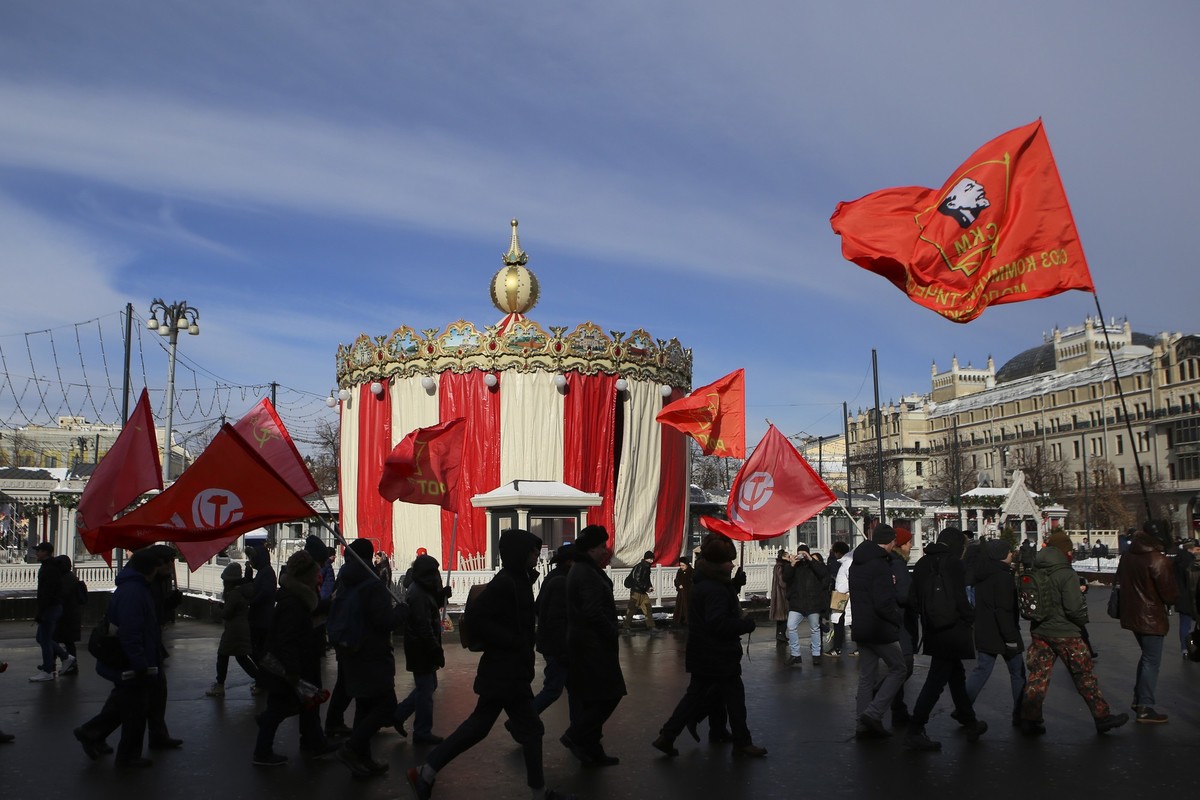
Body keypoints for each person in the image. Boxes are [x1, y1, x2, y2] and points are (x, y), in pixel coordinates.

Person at [407, 529, 575, 800]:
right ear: (521, 553)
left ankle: (425, 772)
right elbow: (478, 619)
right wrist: (512, 640)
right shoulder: (507, 582)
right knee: (530, 730)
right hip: (506, 672)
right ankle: (539, 792)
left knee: (480, 726)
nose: (537, 555)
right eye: (533, 550)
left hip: (507, 671)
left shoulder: (516, 580)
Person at [652, 533, 766, 759]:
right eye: (728, 560)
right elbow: (718, 623)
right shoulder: (714, 588)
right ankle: (742, 742)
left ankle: (668, 735)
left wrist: (733, 586)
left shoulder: (706, 582)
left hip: (703, 652)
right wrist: (744, 624)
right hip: (718, 654)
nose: (732, 564)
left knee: (698, 696)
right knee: (734, 699)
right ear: (718, 563)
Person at [1018, 532, 1128, 736]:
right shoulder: (1066, 573)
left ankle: (1029, 718)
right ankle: (1102, 716)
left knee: (1038, 676)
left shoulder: (1038, 570)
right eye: (1069, 549)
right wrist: (1081, 618)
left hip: (1040, 630)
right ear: (1063, 551)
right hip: (1066, 632)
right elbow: (1074, 608)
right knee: (1084, 675)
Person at [73, 547, 162, 767]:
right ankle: (126, 756)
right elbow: (131, 633)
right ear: (151, 570)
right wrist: (140, 662)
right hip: (131, 662)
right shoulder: (134, 592)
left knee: (122, 704)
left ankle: (92, 733)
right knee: (134, 712)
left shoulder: (133, 588)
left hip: (130, 659)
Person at [253, 550, 340, 766]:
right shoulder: (294, 603)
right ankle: (262, 752)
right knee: (279, 708)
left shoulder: (296, 598)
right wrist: (292, 670)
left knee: (307, 704)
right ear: (305, 576)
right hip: (287, 667)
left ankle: (313, 741)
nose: (317, 578)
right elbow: (287, 639)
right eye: (314, 574)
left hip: (295, 663)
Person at [904, 527, 987, 751]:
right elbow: (960, 597)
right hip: (953, 629)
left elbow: (912, 599)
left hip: (933, 628)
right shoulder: (953, 563)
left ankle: (969, 721)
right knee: (937, 679)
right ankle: (915, 728)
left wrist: (929, 614)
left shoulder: (922, 563)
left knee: (955, 675)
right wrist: (970, 617)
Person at [336, 538, 408, 777]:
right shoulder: (372, 584)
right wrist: (401, 613)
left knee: (364, 706)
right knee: (386, 706)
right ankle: (352, 748)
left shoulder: (346, 580)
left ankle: (363, 757)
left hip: (351, 649)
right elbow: (383, 622)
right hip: (373, 652)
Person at [562, 525, 625, 766]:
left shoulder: (582, 569)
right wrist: (611, 631)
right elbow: (592, 611)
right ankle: (576, 735)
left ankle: (592, 749)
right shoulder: (586, 573)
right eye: (601, 547)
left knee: (594, 698)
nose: (604, 551)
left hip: (586, 645)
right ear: (590, 548)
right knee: (610, 695)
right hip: (592, 646)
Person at [1116, 521, 1179, 723]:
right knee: (1152, 661)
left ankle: (1140, 699)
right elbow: (1169, 595)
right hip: (1151, 617)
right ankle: (1145, 705)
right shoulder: (1157, 560)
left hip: (1132, 614)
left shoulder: (1128, 557)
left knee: (1146, 658)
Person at [850, 524, 905, 740]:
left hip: (861, 626)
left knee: (866, 676)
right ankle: (872, 714)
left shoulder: (858, 562)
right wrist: (897, 618)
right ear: (890, 541)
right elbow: (883, 603)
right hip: (879, 628)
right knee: (899, 668)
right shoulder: (881, 565)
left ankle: (861, 724)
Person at [964, 539, 1026, 726]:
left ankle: (963, 707)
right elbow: (1004, 610)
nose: (1011, 554)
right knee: (1017, 673)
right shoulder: (1004, 577)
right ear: (1001, 555)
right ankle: (1021, 712)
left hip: (985, 630)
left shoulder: (982, 574)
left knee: (982, 670)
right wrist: (1011, 638)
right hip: (1003, 632)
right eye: (1008, 551)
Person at [393, 553, 447, 747]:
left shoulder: (424, 589)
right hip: (420, 647)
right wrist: (434, 648)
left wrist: (441, 596)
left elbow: (432, 609)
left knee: (428, 686)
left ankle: (399, 714)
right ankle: (422, 731)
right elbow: (423, 624)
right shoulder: (417, 593)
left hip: (423, 645)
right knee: (425, 689)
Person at [532, 544, 575, 718]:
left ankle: (578, 728)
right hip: (558, 647)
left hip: (555, 645)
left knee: (573, 688)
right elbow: (557, 621)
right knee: (553, 689)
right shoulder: (561, 581)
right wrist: (563, 650)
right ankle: (521, 720)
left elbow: (538, 607)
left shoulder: (554, 576)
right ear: (571, 562)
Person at [206, 562, 258, 697]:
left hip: (233, 630)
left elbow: (226, 614)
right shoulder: (242, 591)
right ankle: (261, 680)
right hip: (241, 628)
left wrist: (216, 607)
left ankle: (220, 686)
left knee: (222, 655)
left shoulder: (234, 593)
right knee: (242, 658)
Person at [882, 528, 916, 724]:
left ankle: (898, 708)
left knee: (899, 665)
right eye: (909, 542)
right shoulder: (898, 564)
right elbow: (904, 595)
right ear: (901, 544)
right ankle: (879, 694)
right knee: (904, 665)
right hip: (900, 621)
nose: (911, 546)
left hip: (889, 620)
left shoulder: (886, 562)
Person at [781, 544, 830, 666]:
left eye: (803, 553)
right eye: (799, 553)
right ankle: (795, 654)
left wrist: (810, 559)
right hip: (797, 603)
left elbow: (823, 572)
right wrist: (792, 564)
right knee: (791, 626)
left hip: (813, 602)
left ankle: (816, 654)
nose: (801, 556)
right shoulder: (794, 566)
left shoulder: (814, 565)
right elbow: (785, 577)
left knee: (815, 628)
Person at [30, 540, 73, 681]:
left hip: (50, 607)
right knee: (42, 638)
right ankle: (65, 657)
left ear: (46, 552)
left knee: (45, 639)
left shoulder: (49, 569)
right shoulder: (51, 567)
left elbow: (47, 592)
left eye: (39, 550)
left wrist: (41, 611)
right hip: (51, 607)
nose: (37, 553)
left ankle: (48, 670)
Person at [246, 542, 277, 696]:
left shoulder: (267, 573)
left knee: (259, 653)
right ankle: (263, 680)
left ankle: (263, 681)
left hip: (262, 620)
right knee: (258, 652)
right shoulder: (264, 572)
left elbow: (264, 593)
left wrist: (252, 602)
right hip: (260, 619)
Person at [54, 555, 86, 673]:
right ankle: (70, 664)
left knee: (59, 640)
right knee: (67, 641)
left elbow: (62, 594)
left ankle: (69, 664)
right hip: (70, 615)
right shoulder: (70, 577)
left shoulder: (67, 578)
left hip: (67, 615)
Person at [1174, 539, 1200, 657]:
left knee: (1184, 624)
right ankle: (1193, 647)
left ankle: (1185, 648)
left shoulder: (1177, 560)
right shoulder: (1190, 563)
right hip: (1191, 597)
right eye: (1197, 549)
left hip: (1181, 597)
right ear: (1190, 549)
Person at [826, 541, 851, 655]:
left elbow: (851, 579)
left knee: (843, 621)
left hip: (843, 595)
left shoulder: (847, 563)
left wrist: (841, 588)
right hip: (842, 595)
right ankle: (837, 647)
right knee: (840, 621)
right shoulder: (844, 562)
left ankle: (837, 648)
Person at [624, 550, 655, 631]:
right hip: (636, 592)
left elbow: (647, 579)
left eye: (652, 559)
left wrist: (650, 586)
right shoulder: (640, 566)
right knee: (631, 610)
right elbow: (636, 580)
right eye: (651, 559)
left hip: (643, 592)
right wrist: (646, 587)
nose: (652, 560)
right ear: (646, 559)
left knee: (648, 610)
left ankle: (651, 627)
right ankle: (626, 627)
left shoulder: (647, 567)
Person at [672, 555, 693, 628]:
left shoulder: (691, 572)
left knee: (687, 607)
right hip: (681, 594)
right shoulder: (679, 571)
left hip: (688, 594)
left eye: (683, 565)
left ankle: (688, 621)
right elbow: (676, 580)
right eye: (680, 565)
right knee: (680, 607)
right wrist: (679, 585)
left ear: (687, 565)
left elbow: (694, 582)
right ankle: (679, 620)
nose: (681, 567)